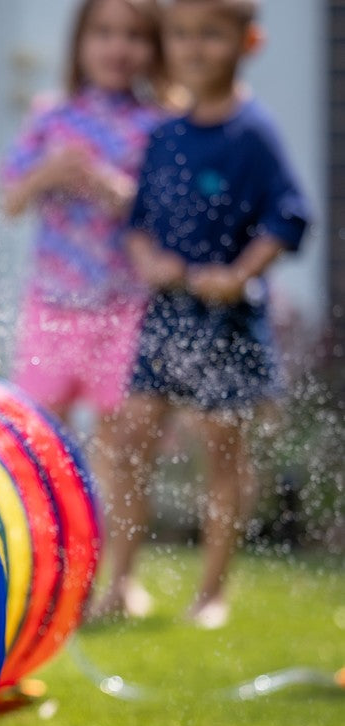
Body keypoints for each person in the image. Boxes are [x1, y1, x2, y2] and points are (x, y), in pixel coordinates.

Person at [93, 0, 311, 626]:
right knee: (132, 435)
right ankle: (123, 583)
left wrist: (241, 273)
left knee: (220, 448)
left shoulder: (254, 133)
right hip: (166, 312)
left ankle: (212, 592)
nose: (193, 48)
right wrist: (148, 259)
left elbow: (289, 216)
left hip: (229, 318)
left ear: (250, 41)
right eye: (182, 35)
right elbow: (137, 224)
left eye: (211, 35)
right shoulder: (165, 136)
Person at [0, 0, 167, 616]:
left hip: (124, 310)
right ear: (82, 43)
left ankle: (120, 582)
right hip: (51, 307)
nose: (117, 47)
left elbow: (159, 215)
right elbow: (12, 199)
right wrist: (49, 171)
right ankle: (46, 576)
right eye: (104, 33)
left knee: (122, 449)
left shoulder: (156, 126)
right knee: (40, 443)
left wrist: (106, 184)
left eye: (133, 36)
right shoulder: (52, 116)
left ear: (153, 50)